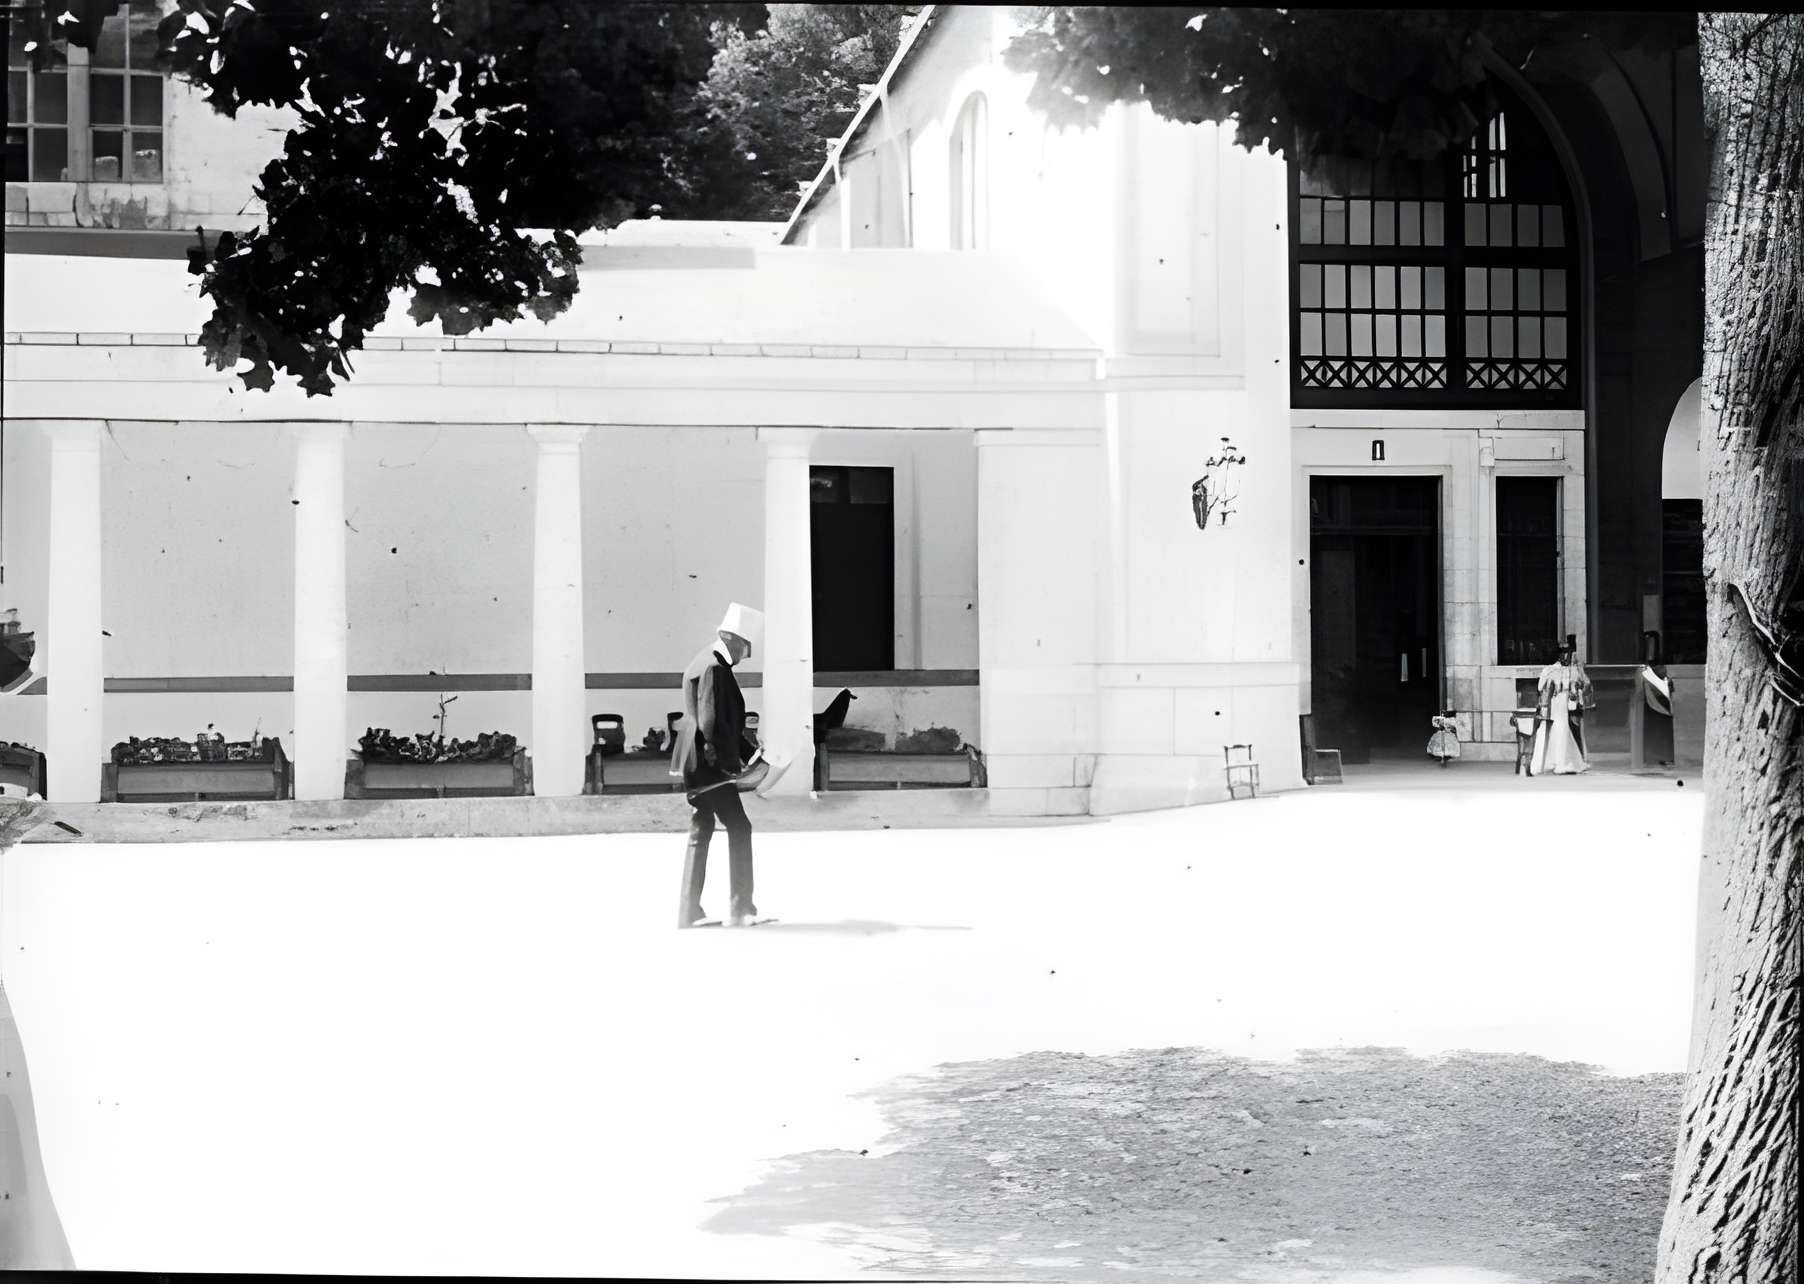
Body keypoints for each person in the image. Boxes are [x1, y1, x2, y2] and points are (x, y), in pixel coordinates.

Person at [672, 602, 765, 929]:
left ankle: (688, 911)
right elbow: (712, 724)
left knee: (702, 827)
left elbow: (716, 720)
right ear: (731, 638)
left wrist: (747, 749)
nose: (745, 655)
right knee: (740, 827)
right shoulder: (715, 669)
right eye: (745, 646)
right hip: (710, 765)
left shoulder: (699, 661)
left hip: (692, 762)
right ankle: (741, 908)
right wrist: (732, 765)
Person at [1530, 635, 1593, 776]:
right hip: (1562, 703)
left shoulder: (1549, 670)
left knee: (1557, 729)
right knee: (1562, 728)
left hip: (1557, 702)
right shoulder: (1567, 671)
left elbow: (1540, 688)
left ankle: (1555, 760)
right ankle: (1562, 761)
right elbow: (1582, 684)